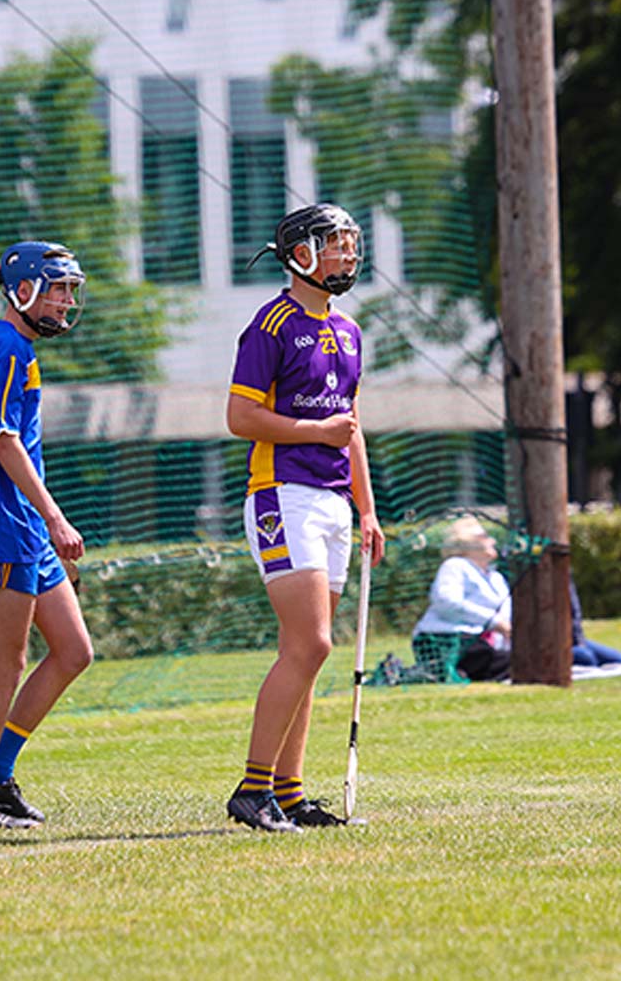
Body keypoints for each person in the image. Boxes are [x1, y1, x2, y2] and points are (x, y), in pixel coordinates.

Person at [225, 203, 385, 832]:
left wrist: (366, 508)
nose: (348, 255)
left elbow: (350, 427)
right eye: (335, 244)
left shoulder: (348, 331)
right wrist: (314, 429)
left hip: (332, 502)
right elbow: (240, 418)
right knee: (310, 643)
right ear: (300, 255)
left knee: (310, 652)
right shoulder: (269, 326)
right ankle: (252, 789)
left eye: (350, 244)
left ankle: (289, 793)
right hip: (280, 493)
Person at [0, 241, 93, 829]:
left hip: (25, 530)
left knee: (74, 651)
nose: (65, 301)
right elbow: (4, 442)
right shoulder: (4, 348)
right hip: (6, 528)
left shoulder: (16, 348)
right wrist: (56, 517)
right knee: (5, 664)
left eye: (69, 291)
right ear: (24, 289)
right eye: (57, 289)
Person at [412, 515, 511, 682]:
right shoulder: (455, 566)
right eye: (485, 537)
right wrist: (492, 621)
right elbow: (446, 602)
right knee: (513, 662)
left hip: (483, 643)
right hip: (447, 640)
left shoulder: (496, 578)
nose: (492, 541)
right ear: (466, 545)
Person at [570, 577, 621, 668]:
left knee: (620, 661)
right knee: (587, 658)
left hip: (573, 640)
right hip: (550, 645)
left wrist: (579, 641)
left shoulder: (565, 573)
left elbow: (574, 614)